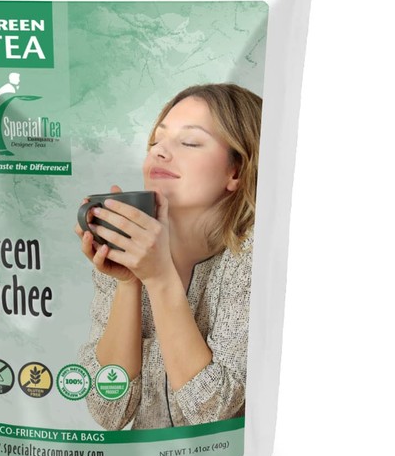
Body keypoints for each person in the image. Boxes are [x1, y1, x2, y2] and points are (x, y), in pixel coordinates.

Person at [76, 83, 262, 430]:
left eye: (189, 142)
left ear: (235, 171)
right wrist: (129, 280)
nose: (159, 152)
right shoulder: (131, 248)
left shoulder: (256, 258)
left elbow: (213, 413)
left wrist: (160, 279)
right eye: (155, 141)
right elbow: (108, 412)